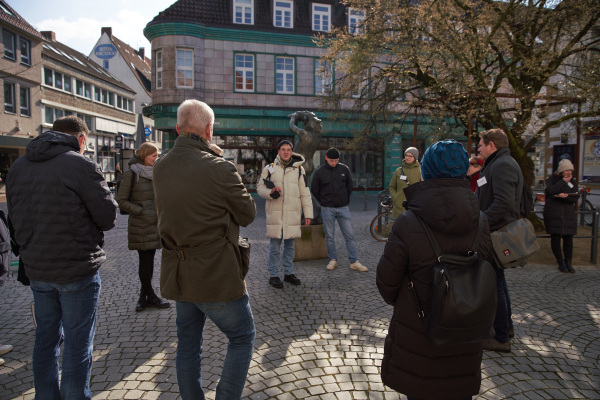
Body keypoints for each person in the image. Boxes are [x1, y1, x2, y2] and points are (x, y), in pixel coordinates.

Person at [6, 116, 117, 399]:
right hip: (76, 267)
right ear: (81, 139)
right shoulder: (80, 164)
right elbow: (107, 216)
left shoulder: (19, 166)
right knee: (78, 344)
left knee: (45, 339)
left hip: (37, 269)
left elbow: (14, 219)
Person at [153, 99, 257, 399]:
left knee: (187, 344)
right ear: (209, 130)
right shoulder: (218, 167)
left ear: (176, 127)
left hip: (179, 273)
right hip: (215, 274)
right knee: (242, 337)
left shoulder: (160, 166)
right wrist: (223, 168)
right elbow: (248, 214)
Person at [377, 140, 492, 400]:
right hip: (466, 335)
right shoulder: (482, 220)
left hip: (420, 337)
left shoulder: (408, 222)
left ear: (426, 170)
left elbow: (387, 284)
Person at [476, 128, 523, 353]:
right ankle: (507, 328)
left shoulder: (503, 164)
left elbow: (504, 202)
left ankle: (502, 337)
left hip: (496, 234)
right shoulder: (497, 162)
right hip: (494, 232)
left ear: (492, 145)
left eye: (481, 145)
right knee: (499, 283)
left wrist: (482, 221)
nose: (479, 148)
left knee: (495, 287)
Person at [116, 143, 170, 312]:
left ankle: (144, 297)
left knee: (149, 261)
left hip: (156, 224)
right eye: (153, 155)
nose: (157, 158)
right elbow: (121, 200)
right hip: (141, 224)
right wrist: (141, 210)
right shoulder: (131, 174)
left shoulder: (158, 173)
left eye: (157, 155)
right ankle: (150, 296)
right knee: (145, 260)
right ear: (144, 155)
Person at [256, 140, 313, 288]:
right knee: (275, 247)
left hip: (293, 213)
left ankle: (289, 273)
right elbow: (260, 188)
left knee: (290, 246)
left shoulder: (299, 170)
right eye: (283, 149)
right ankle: (273, 275)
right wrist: (271, 192)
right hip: (276, 214)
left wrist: (308, 214)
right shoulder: (270, 168)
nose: (286, 152)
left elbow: (305, 193)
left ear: (292, 151)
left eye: (288, 149)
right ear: (278, 151)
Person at [311, 147, 367, 272]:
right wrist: (323, 202)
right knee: (330, 236)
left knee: (350, 235)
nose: (334, 163)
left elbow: (349, 186)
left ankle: (354, 261)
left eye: (336, 160)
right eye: (332, 160)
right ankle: (333, 260)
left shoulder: (344, 169)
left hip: (343, 208)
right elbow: (315, 189)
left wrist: (345, 200)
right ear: (326, 158)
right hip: (327, 208)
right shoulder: (319, 172)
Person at [543, 159, 579, 273]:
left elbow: (575, 196)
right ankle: (560, 262)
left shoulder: (573, 181)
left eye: (570, 170)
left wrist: (566, 197)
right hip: (554, 213)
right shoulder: (552, 179)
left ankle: (568, 261)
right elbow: (549, 191)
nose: (569, 173)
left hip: (568, 214)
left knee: (568, 238)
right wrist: (563, 182)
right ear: (561, 171)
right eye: (567, 170)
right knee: (556, 237)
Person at [389, 147, 422, 219]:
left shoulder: (420, 171)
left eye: (410, 156)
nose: (407, 157)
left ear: (415, 157)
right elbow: (392, 186)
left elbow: (423, 188)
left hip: (413, 206)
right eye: (406, 155)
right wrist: (395, 197)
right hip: (399, 205)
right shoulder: (398, 170)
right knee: (398, 228)